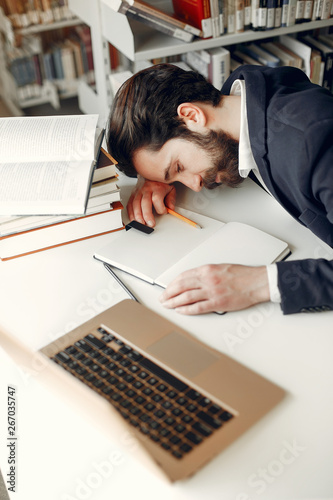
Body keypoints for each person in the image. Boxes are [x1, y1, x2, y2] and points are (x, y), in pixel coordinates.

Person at [106, 63, 333, 316]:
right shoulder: (238, 94)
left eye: (179, 167)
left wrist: (257, 284)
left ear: (192, 115)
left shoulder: (316, 145)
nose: (194, 185)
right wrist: (155, 176)